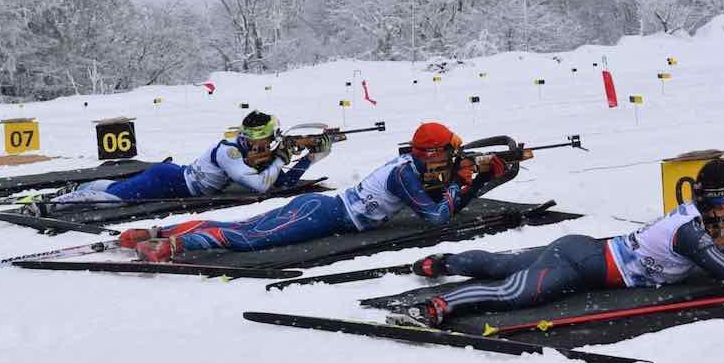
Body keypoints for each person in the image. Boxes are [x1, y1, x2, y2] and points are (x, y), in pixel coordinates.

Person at [395, 158, 724, 328]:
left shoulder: (703, 219)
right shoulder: (690, 232)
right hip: (581, 263)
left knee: (499, 263)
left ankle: (443, 261)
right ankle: (439, 306)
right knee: (515, 291)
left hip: (587, 251)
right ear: (722, 200)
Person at [120, 121, 513, 261]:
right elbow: (435, 217)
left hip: (323, 209)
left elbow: (438, 196)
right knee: (249, 239)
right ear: (434, 153)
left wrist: (474, 177)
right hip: (325, 214)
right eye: (448, 153)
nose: (452, 158)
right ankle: (174, 246)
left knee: (247, 228)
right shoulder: (405, 176)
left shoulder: (413, 167)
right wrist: (472, 181)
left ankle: (158, 233)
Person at [23, 111, 329, 217]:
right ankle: (52, 205)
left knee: (117, 187)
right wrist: (283, 156)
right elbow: (261, 185)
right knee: (113, 200)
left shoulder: (248, 151)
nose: (270, 145)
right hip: (169, 182)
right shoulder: (230, 153)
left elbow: (279, 183)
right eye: (268, 141)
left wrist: (310, 158)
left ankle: (79, 187)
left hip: (173, 177)